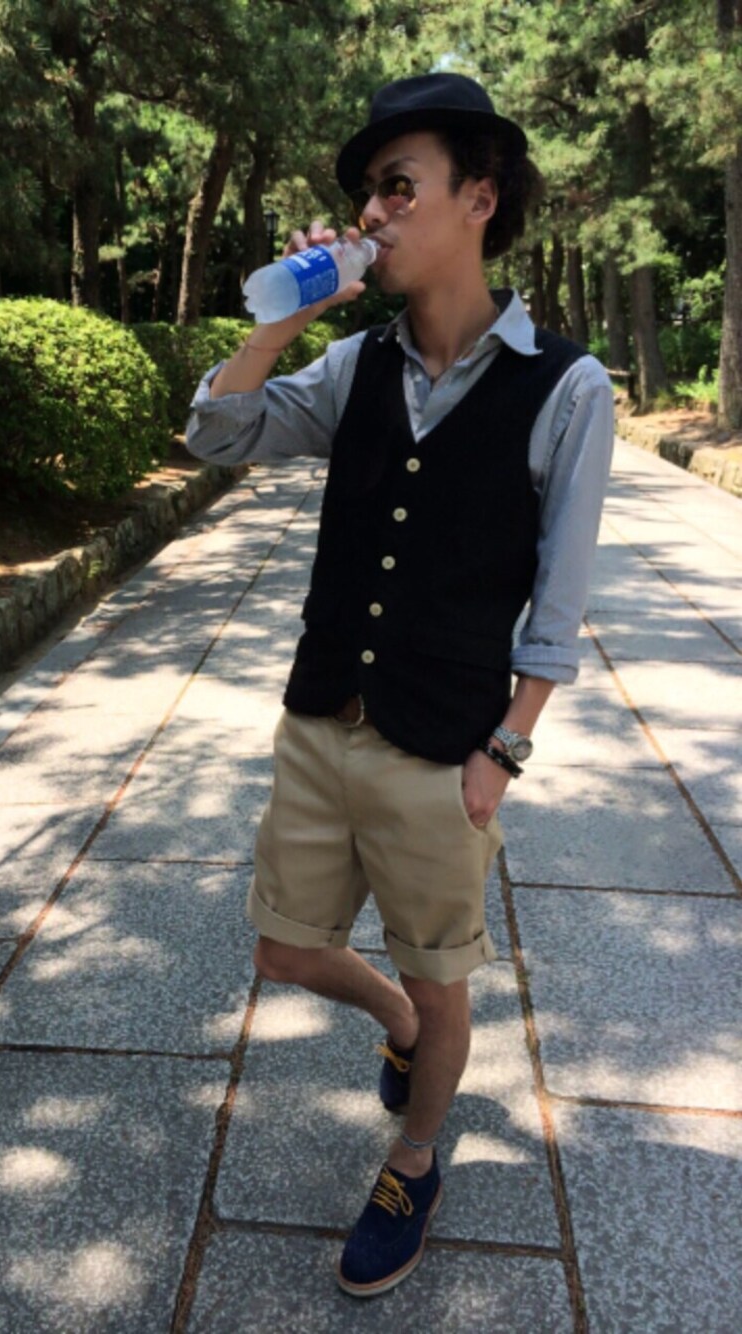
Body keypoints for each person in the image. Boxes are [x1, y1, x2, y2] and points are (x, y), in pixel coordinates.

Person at [186, 72, 614, 1298]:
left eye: (396, 186)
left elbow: (559, 603)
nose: (371, 213)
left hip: (445, 749)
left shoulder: (566, 386)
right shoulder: (354, 365)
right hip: (322, 718)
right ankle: (402, 1026)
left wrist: (504, 750)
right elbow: (217, 434)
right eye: (366, 193)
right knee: (284, 950)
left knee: (443, 972)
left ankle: (414, 1157)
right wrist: (280, 319)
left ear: (478, 198)